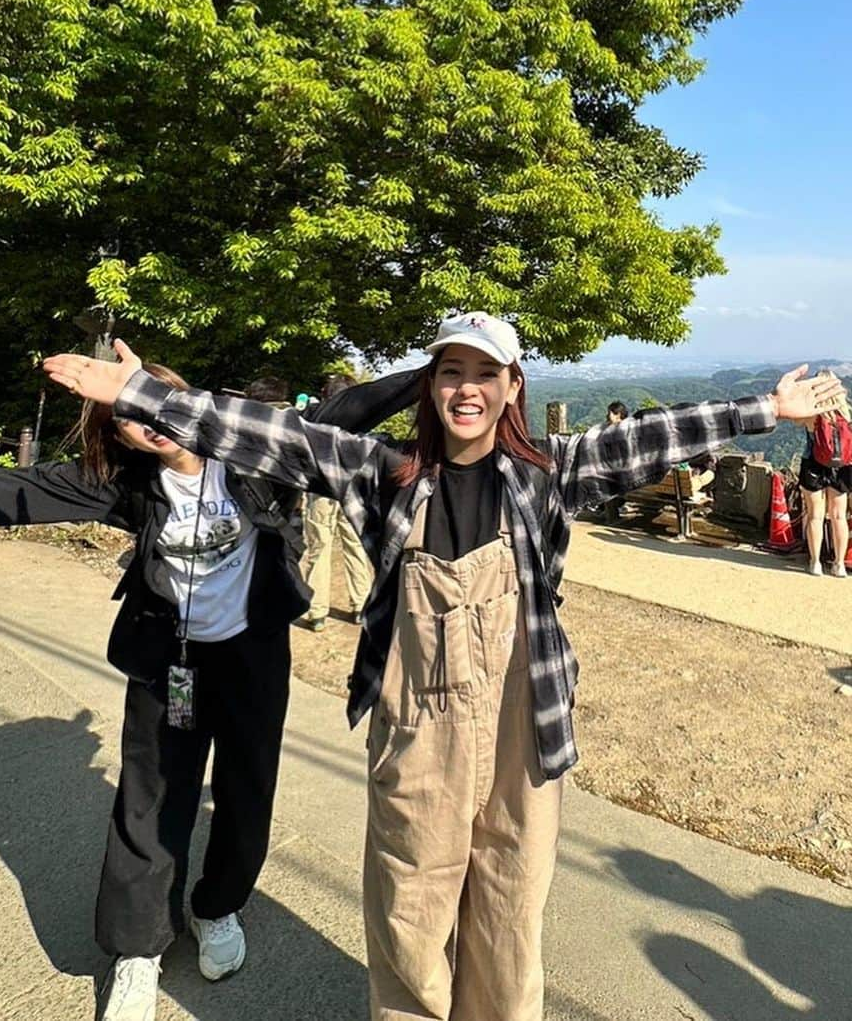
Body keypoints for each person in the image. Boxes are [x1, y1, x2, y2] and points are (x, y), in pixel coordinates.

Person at [43, 315, 845, 1021]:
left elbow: (643, 441)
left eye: (485, 374)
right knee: (410, 898)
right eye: (450, 373)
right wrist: (144, 397)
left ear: (512, 385)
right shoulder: (384, 474)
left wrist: (767, 411)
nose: (467, 389)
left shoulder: (546, 474)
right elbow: (276, 437)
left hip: (524, 719)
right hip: (416, 723)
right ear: (429, 388)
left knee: (509, 898)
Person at [0, 361, 415, 1021]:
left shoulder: (255, 451)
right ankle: (137, 949)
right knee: (152, 796)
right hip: (175, 665)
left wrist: (447, 367)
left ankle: (217, 907)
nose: (143, 425)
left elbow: (352, 411)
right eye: (125, 419)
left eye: (151, 405)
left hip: (253, 658)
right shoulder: (121, 483)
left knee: (248, 788)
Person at [302, 373, 375, 631]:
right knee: (355, 545)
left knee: (318, 549)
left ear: (326, 394)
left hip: (321, 490)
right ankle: (360, 605)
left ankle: (317, 611)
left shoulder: (316, 419)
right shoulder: (362, 418)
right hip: (353, 490)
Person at [798, 379, 851, 578]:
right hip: (842, 467)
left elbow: (794, 420)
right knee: (839, 517)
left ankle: (815, 563)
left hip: (813, 465)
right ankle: (839, 565)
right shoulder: (846, 413)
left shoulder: (813, 413)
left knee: (815, 516)